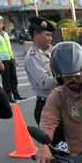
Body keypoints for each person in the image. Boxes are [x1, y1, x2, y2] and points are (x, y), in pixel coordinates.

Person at [23, 16, 64, 147]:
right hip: (46, 106)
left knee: (65, 143)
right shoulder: (33, 56)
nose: (50, 39)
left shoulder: (46, 53)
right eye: (47, 35)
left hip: (56, 103)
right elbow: (45, 83)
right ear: (36, 34)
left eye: (51, 35)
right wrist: (63, 76)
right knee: (57, 147)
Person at [0, 14, 25, 102]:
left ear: (2, 24)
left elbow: (10, 47)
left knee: (14, 78)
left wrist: (15, 59)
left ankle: (16, 95)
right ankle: (9, 97)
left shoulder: (6, 34)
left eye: (0, 23)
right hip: (3, 61)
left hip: (10, 59)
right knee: (6, 81)